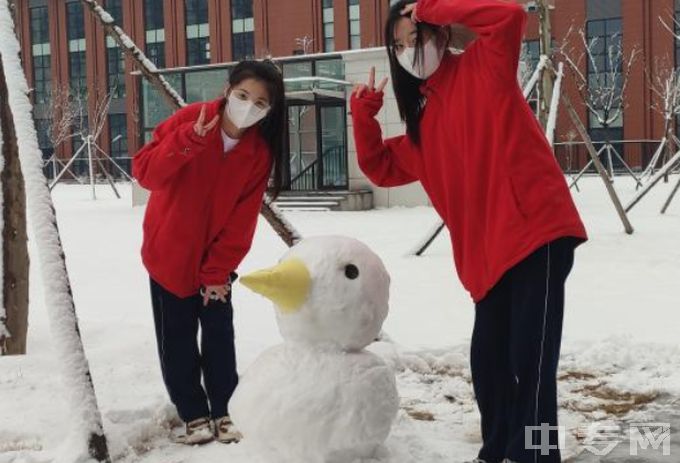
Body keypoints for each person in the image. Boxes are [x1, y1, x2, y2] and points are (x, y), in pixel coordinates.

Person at [350, 1, 588, 462]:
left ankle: (536, 455)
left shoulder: (484, 66)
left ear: (439, 33)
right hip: (486, 259)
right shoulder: (422, 123)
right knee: (489, 365)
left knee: (529, 365)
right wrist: (364, 115)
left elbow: (508, 17)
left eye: (413, 38)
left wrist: (431, 7)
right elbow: (379, 166)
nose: (406, 52)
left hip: (534, 232)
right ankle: (496, 451)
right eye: (397, 46)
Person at [132, 60, 285, 445]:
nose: (249, 107)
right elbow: (146, 173)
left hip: (217, 261)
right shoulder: (190, 119)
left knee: (219, 334)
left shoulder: (257, 153)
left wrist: (218, 271)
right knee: (177, 339)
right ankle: (194, 413)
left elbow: (242, 218)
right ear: (227, 89)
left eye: (261, 103)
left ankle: (225, 409)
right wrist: (189, 140)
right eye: (243, 96)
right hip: (168, 254)